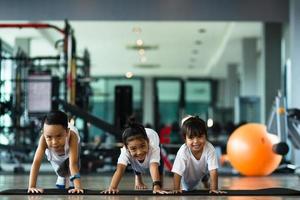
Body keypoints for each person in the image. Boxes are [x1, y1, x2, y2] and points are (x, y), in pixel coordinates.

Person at [102, 119, 168, 194]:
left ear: (148, 141)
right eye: (133, 148)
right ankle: (138, 178)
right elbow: (120, 169)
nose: (139, 152)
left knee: (159, 169)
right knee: (134, 159)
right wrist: (112, 187)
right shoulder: (125, 151)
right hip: (137, 142)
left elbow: (153, 166)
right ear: (127, 148)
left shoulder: (153, 146)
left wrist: (156, 186)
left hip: (153, 135)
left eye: (142, 146)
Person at [28, 110, 83, 194]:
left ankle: (70, 179)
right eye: (49, 137)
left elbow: (73, 164)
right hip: (55, 157)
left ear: (67, 132)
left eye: (59, 136)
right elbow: (36, 162)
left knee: (73, 163)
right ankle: (61, 177)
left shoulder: (72, 136)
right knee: (61, 171)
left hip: (72, 147)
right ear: (43, 134)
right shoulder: (43, 139)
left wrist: (78, 187)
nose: (54, 142)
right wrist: (31, 186)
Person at [172, 115, 225, 194]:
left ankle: (205, 179)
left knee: (203, 172)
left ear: (206, 136)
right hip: (186, 177)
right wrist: (176, 189)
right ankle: (204, 178)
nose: (196, 141)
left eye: (200, 136)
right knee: (188, 187)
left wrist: (214, 189)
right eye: (191, 138)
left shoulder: (210, 148)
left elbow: (213, 171)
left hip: (201, 170)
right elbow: (177, 173)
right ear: (185, 139)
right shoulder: (183, 151)